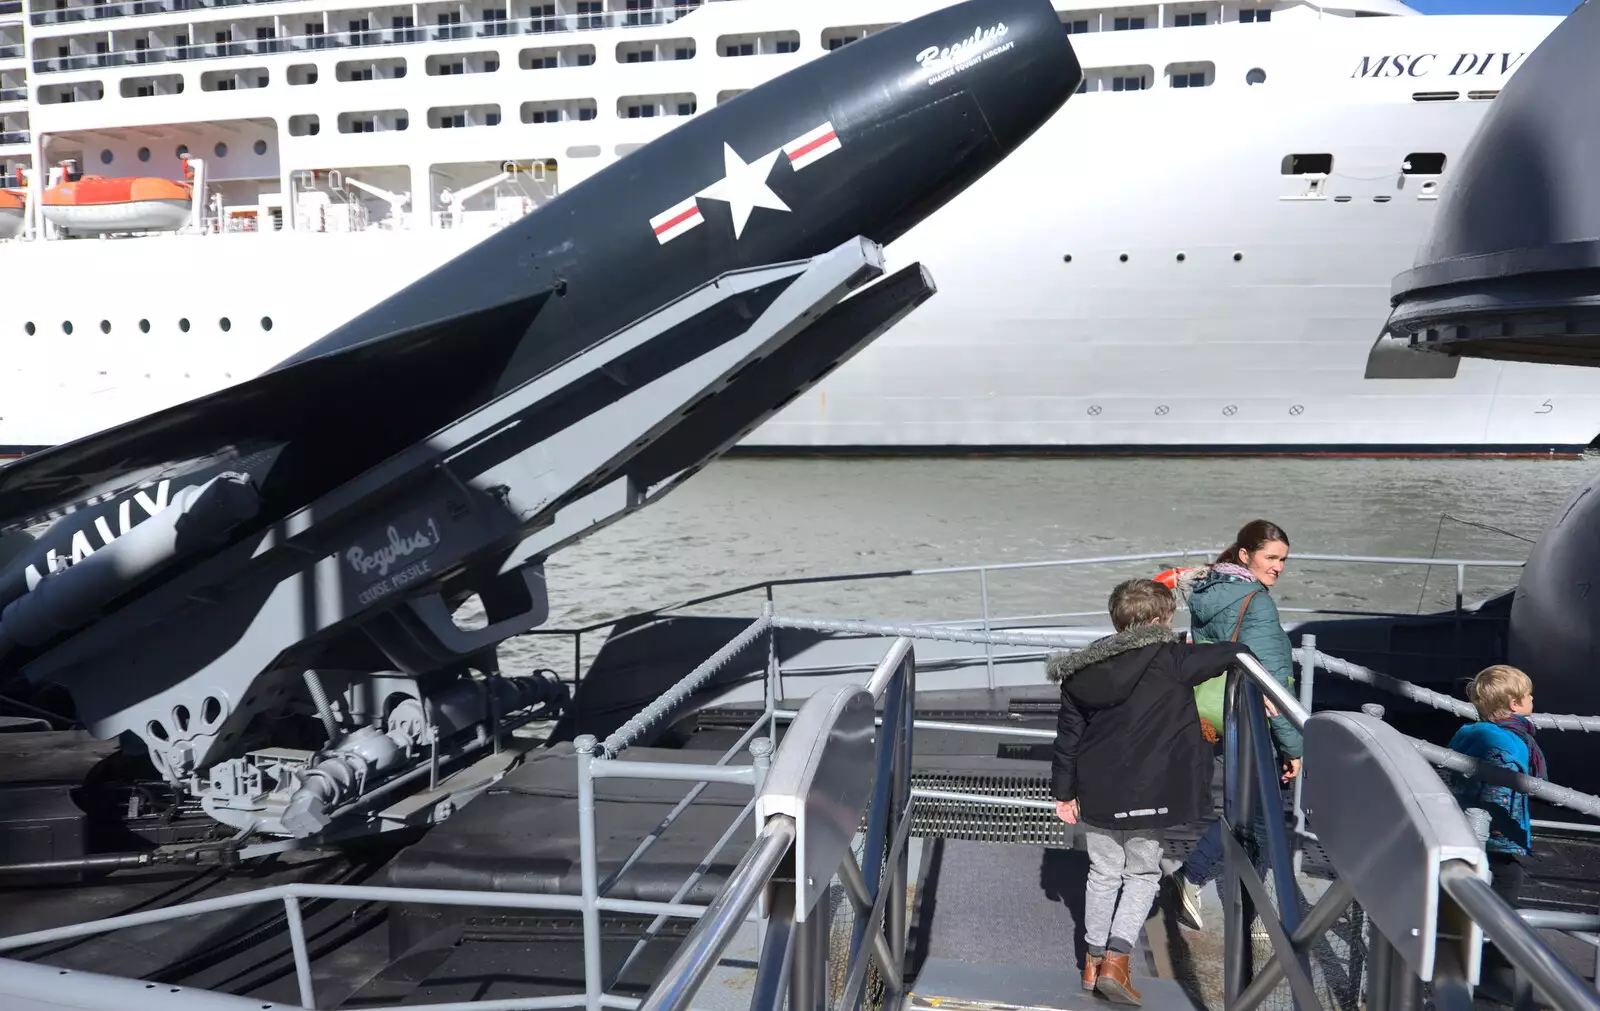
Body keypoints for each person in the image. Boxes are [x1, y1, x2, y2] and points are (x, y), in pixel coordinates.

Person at [1049, 578, 1255, 1006]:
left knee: (1103, 873)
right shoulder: (1172, 658)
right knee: (1141, 874)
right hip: (1152, 792)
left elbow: (1067, 740)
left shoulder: (1081, 672)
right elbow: (1233, 654)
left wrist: (1063, 794)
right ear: (1161, 620)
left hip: (1098, 790)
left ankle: (1091, 960)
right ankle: (1117, 962)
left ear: (1117, 621)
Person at [1167, 519, 1304, 931]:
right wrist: (1294, 745)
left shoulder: (1212, 588)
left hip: (1224, 713)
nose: (1278, 567)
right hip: (1254, 719)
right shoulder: (1256, 602)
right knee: (1261, 818)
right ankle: (1207, 887)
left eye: (1283, 560)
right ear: (1245, 555)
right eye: (1271, 557)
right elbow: (1273, 679)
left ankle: (1239, 904)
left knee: (1247, 810)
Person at [1448, 664, 1548, 1004]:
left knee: (1472, 903)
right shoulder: (1509, 742)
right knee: (1502, 906)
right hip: (1501, 844)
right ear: (1516, 705)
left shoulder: (1474, 733)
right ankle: (1487, 974)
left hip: (1468, 833)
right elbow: (1502, 791)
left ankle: (1473, 961)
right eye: (1528, 694)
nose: (1534, 697)